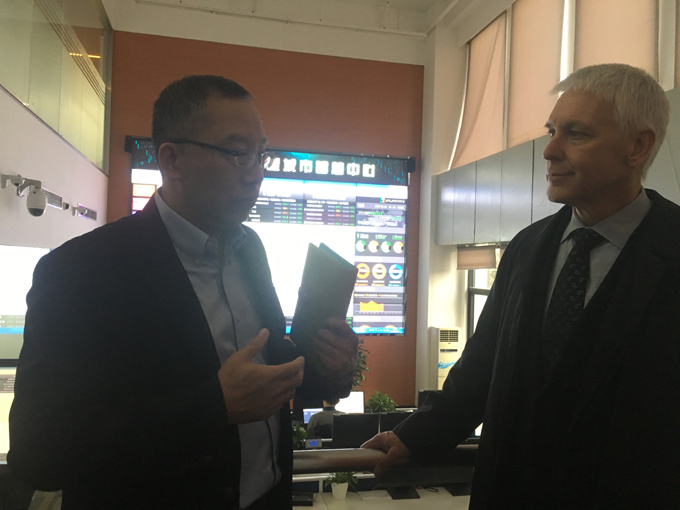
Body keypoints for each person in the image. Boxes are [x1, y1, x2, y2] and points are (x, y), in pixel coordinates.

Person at [8, 75, 358, 510]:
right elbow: (39, 452)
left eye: (261, 154)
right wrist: (213, 407)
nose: (257, 174)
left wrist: (329, 366)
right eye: (237, 153)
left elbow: (266, 373)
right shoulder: (81, 271)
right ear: (171, 160)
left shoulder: (250, 249)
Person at [363, 63, 680, 509]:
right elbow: (482, 366)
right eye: (552, 131)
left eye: (576, 134)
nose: (549, 150)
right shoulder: (526, 247)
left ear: (637, 146)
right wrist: (416, 435)